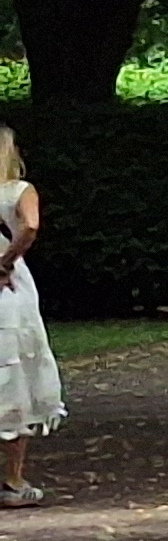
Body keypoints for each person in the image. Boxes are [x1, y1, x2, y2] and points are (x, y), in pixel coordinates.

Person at [0, 132, 58, 507]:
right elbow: (31, 226)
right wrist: (5, 262)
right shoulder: (19, 190)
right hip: (8, 287)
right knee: (13, 372)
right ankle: (13, 479)